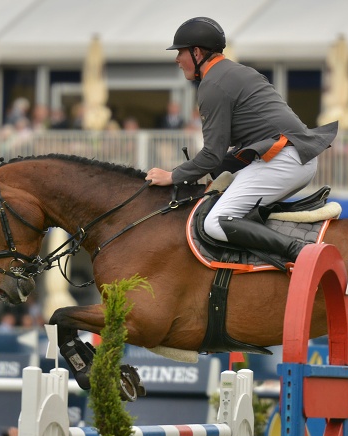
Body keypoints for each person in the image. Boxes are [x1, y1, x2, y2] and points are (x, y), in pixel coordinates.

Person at [145, 17, 338, 264]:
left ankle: (299, 253)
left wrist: (172, 175)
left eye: (180, 52)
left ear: (196, 52)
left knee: (215, 223)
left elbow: (212, 154)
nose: (176, 59)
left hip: (284, 161)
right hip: (294, 157)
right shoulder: (239, 71)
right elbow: (222, 157)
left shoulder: (212, 84)